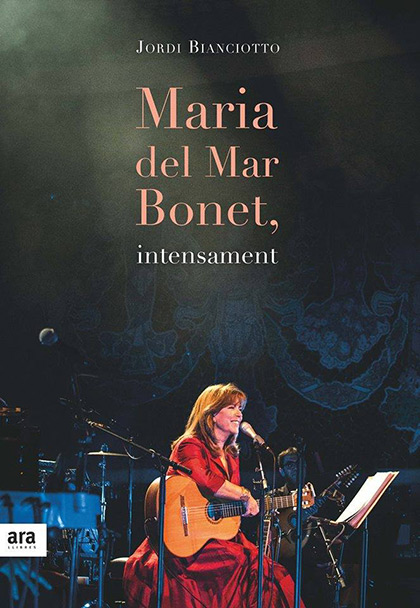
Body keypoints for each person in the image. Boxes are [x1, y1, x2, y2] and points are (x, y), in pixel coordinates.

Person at [123, 383, 304, 608]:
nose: (239, 414)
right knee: (248, 566)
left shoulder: (231, 455)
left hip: (214, 539)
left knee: (271, 573)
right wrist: (244, 494)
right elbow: (206, 480)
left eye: (240, 409)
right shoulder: (190, 445)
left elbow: (224, 503)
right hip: (184, 541)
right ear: (211, 413)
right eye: (231, 407)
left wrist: (244, 508)